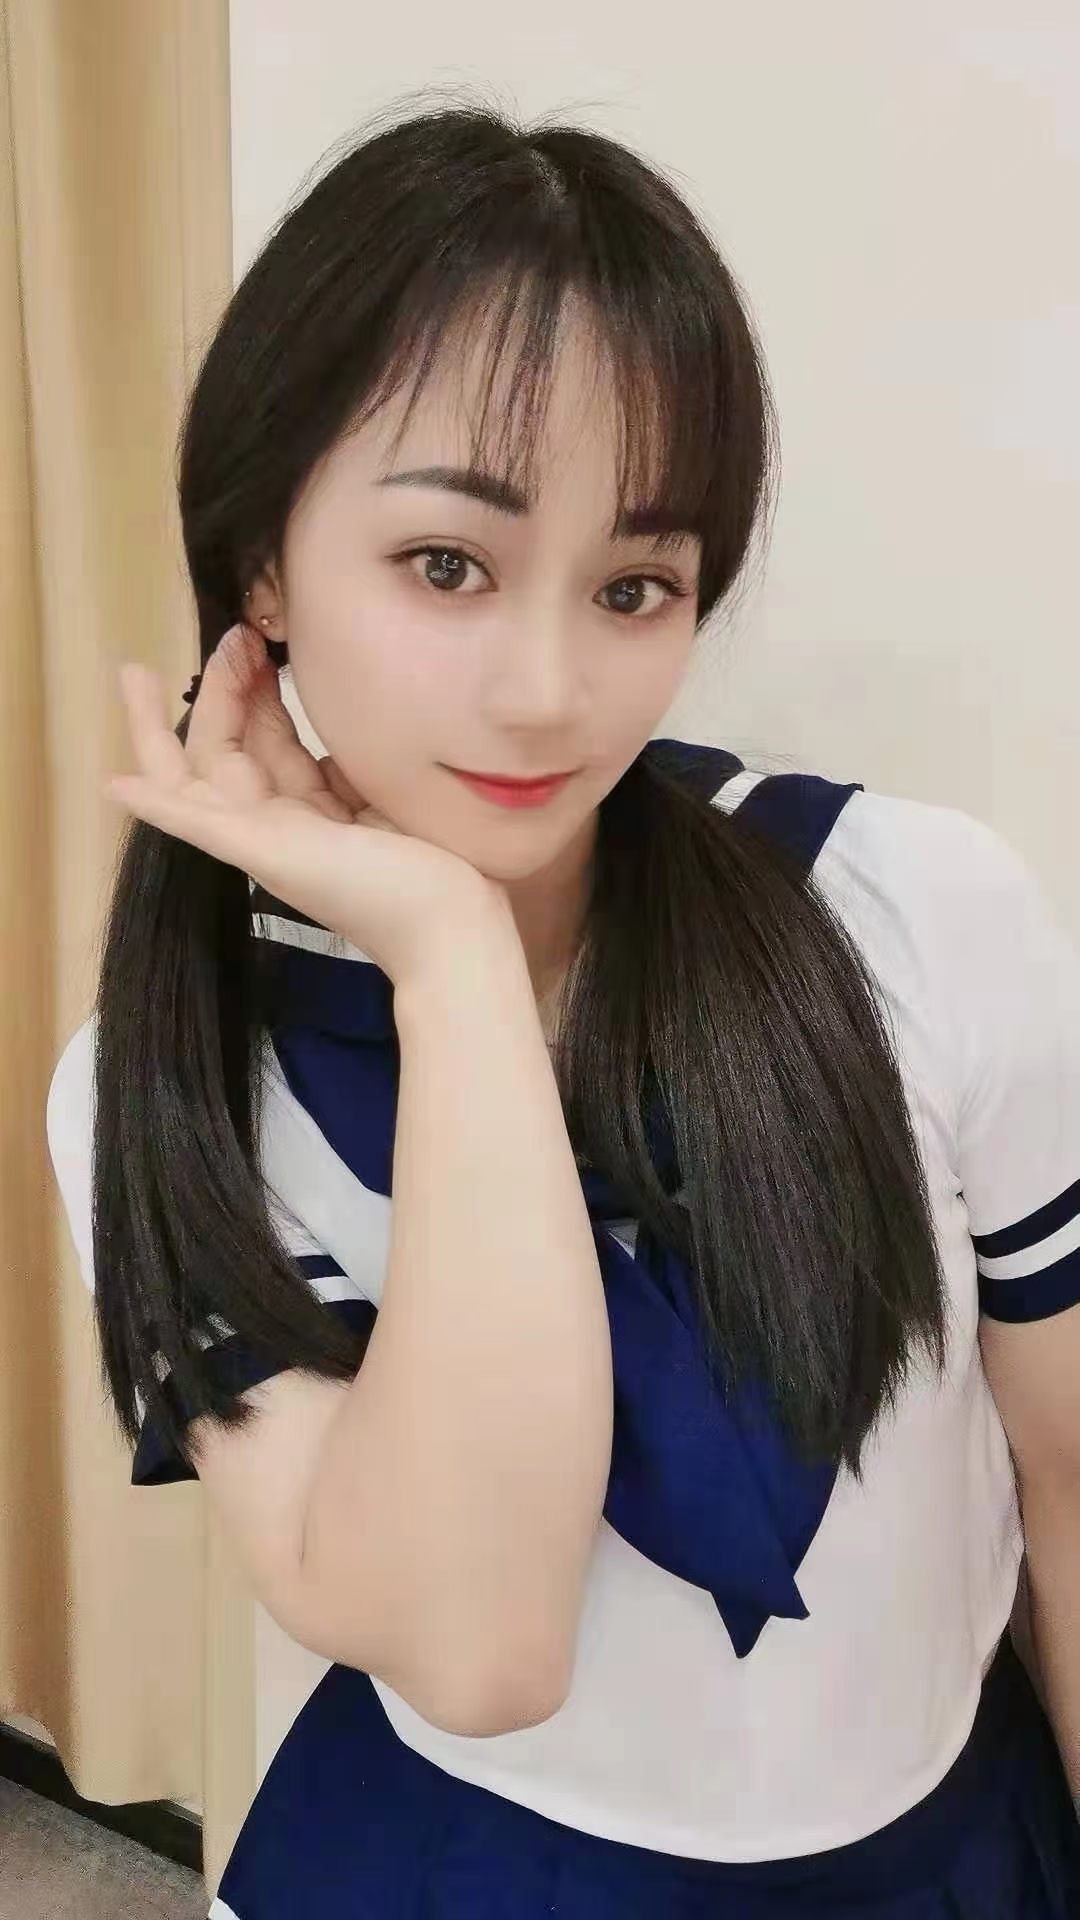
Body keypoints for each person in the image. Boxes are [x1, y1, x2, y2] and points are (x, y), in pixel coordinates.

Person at [44, 100, 1080, 1918]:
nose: (548, 690)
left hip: (944, 1847)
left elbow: (1071, 1479)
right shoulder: (172, 1084)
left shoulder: (913, 916)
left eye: (634, 586)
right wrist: (449, 962)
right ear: (266, 565)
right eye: (448, 565)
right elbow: (480, 1647)